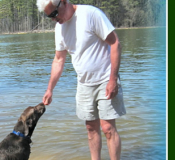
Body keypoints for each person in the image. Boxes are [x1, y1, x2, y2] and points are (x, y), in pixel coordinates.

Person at [36, 0, 126, 160]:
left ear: (63, 2)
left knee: (108, 128)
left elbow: (115, 43)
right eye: (50, 16)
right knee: (91, 129)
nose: (53, 19)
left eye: (54, 14)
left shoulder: (90, 14)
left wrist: (113, 79)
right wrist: (50, 89)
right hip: (84, 84)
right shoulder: (60, 28)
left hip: (106, 78)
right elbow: (58, 60)